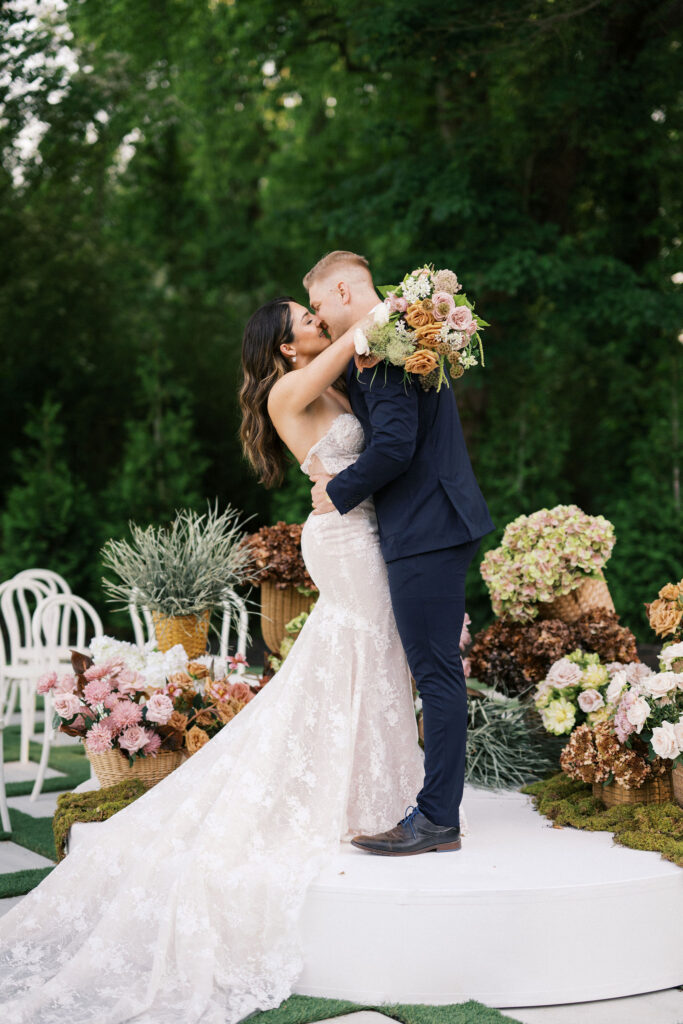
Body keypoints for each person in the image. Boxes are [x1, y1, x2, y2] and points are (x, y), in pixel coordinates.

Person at [0, 296, 429, 1024]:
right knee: (359, 649)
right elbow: (353, 340)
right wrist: (385, 308)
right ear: (283, 346)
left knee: (359, 658)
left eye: (315, 315)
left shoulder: (327, 381)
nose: (317, 322)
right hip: (345, 541)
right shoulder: (286, 388)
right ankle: (354, 790)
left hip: (362, 532)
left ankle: (372, 785)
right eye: (305, 319)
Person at [305, 250, 495, 856]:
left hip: (427, 528)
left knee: (436, 673)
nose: (320, 320)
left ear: (341, 291)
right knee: (436, 670)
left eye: (317, 308)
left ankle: (438, 820)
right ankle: (434, 808)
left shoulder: (382, 350)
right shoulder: (395, 337)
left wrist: (337, 491)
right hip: (435, 521)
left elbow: (392, 448)